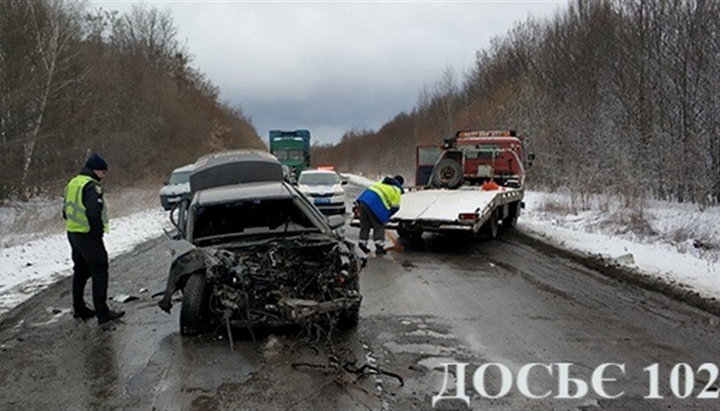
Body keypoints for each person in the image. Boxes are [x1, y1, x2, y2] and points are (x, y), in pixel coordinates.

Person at [63, 153, 124, 325]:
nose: (104, 176)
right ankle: (103, 314)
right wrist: (97, 233)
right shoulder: (91, 186)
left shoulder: (73, 183)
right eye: (103, 172)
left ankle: (80, 309)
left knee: (81, 271)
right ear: (95, 170)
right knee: (100, 270)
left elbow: (65, 211)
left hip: (73, 233)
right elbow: (93, 212)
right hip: (88, 235)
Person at [356, 175, 404, 255]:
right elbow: (395, 207)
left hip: (363, 201)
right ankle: (379, 247)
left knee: (365, 225)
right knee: (379, 225)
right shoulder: (396, 190)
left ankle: (362, 245)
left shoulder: (381, 183)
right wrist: (387, 216)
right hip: (374, 205)